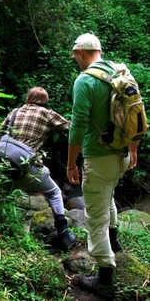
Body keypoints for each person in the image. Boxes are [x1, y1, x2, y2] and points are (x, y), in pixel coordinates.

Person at [67, 33, 138, 298]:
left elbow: (78, 126)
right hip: (122, 155)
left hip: (98, 156)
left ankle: (105, 278)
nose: (76, 59)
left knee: (95, 216)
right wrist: (132, 149)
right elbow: (136, 115)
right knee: (107, 194)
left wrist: (70, 164)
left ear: (81, 53)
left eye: (75, 55)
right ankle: (114, 238)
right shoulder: (121, 72)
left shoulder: (85, 80)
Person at [0, 87, 76, 251]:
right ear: (45, 101)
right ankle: (64, 233)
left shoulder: (15, 112)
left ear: (27, 98)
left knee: (2, 197)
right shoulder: (47, 114)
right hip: (30, 168)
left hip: (8, 167)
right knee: (54, 193)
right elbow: (71, 129)